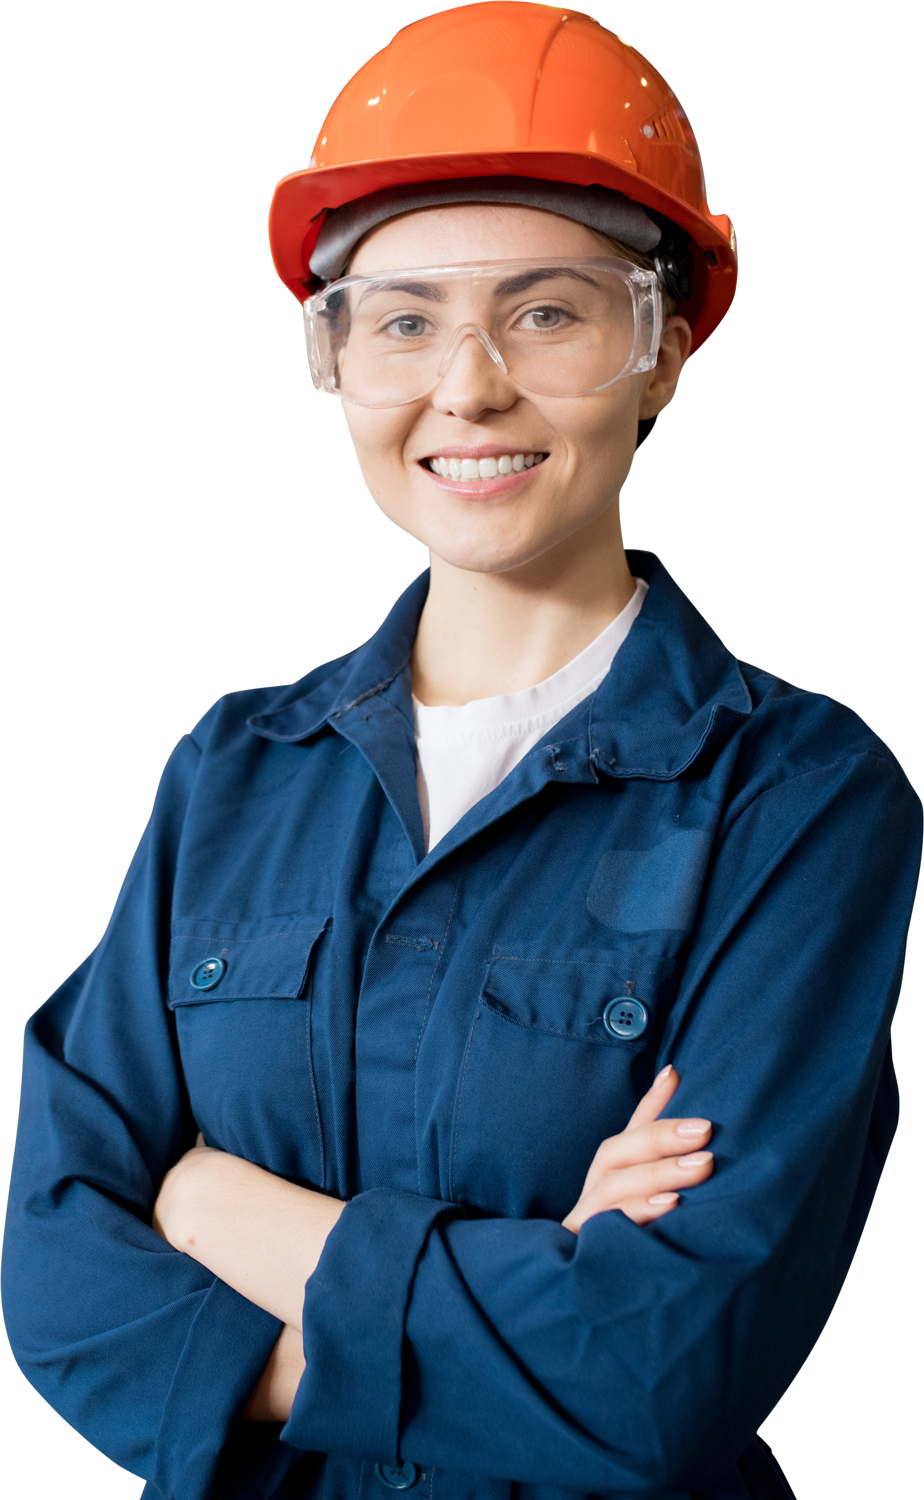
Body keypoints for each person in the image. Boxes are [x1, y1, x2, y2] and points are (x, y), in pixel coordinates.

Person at [3, 6, 921, 1500]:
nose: (469, 384)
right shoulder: (237, 774)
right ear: (341, 357)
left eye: (548, 310)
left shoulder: (798, 805)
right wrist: (535, 1277)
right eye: (404, 316)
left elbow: (655, 1376)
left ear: (662, 347)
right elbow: (57, 1269)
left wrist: (220, 1209)